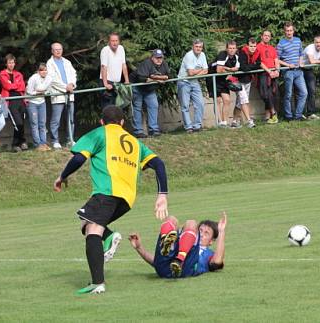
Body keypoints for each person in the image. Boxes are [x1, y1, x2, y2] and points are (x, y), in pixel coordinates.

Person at [53, 106, 169, 295]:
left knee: (93, 230)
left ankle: (98, 281)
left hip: (106, 192)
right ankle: (107, 239)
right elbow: (159, 164)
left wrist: (62, 176)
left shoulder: (99, 133)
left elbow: (79, 158)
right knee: (86, 221)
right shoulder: (134, 142)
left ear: (102, 122)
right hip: (127, 199)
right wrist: (162, 194)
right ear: (122, 123)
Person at [128, 212, 226, 278]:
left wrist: (221, 231)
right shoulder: (184, 241)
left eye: (206, 233)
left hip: (186, 268)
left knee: (191, 223)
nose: (202, 235)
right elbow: (156, 263)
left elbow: (217, 262)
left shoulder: (209, 254)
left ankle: (178, 259)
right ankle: (171, 250)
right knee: (171, 219)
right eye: (200, 231)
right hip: (164, 270)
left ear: (211, 241)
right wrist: (139, 248)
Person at [131, 49, 170, 137]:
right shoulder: (146, 63)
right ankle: (138, 131)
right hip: (137, 87)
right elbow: (142, 78)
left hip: (149, 89)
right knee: (137, 108)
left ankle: (153, 130)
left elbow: (169, 76)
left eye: (161, 58)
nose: (159, 60)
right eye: (157, 58)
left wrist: (154, 77)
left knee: (154, 105)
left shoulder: (164, 64)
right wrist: (158, 79)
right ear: (152, 58)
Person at [46, 42, 78, 149]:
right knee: (56, 119)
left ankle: (70, 139)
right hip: (58, 94)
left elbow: (74, 74)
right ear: (52, 51)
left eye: (60, 49)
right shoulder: (49, 63)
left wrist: (72, 84)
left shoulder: (67, 62)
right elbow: (53, 80)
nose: (58, 51)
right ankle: (55, 140)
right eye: (56, 49)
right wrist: (65, 87)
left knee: (71, 118)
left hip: (69, 93)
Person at [276, 22, 308, 121]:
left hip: (298, 71)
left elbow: (301, 54)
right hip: (288, 71)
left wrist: (301, 62)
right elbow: (277, 59)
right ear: (284, 32)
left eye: (290, 30)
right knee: (288, 95)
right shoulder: (281, 43)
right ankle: (288, 116)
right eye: (287, 31)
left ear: (293, 31)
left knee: (304, 93)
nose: (289, 32)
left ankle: (298, 115)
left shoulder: (298, 40)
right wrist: (287, 65)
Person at [177, 39, 208, 133]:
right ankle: (188, 127)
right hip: (184, 81)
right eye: (196, 46)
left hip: (194, 82)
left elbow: (206, 70)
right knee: (185, 105)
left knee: (200, 104)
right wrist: (200, 71)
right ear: (193, 47)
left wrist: (196, 73)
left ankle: (197, 126)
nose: (198, 48)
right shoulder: (189, 55)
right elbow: (190, 73)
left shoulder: (202, 55)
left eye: (200, 47)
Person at [0, 54, 28, 152]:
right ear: (6, 64)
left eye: (13, 62)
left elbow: (22, 87)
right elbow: (7, 86)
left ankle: (20, 143)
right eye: (9, 63)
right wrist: (15, 85)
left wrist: (13, 85)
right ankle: (17, 143)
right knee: (17, 122)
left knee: (22, 122)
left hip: (20, 99)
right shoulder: (2, 73)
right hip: (10, 100)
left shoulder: (18, 74)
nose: (11, 65)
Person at [208, 41, 240, 127]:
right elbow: (218, 70)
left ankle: (224, 122)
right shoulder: (222, 54)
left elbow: (236, 68)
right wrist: (229, 69)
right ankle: (220, 122)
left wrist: (227, 70)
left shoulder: (236, 57)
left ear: (236, 49)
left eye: (233, 48)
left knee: (227, 100)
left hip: (223, 78)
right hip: (213, 78)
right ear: (226, 49)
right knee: (218, 100)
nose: (232, 50)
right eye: (230, 48)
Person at [236, 38, 261, 128]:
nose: (253, 48)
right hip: (238, 80)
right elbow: (243, 67)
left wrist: (251, 67)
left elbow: (258, 64)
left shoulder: (257, 52)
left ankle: (235, 121)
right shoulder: (242, 53)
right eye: (251, 46)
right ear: (247, 46)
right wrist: (253, 67)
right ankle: (249, 121)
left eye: (254, 46)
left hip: (248, 80)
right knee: (244, 100)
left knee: (239, 103)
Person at [26, 63, 52, 151]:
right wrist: (38, 92)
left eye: (45, 70)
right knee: (34, 123)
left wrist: (39, 91)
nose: (44, 72)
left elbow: (48, 91)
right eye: (42, 70)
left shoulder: (49, 78)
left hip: (42, 102)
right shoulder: (33, 78)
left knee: (42, 123)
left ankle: (43, 143)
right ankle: (37, 144)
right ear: (38, 71)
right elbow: (29, 91)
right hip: (32, 102)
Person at [100, 32, 130, 107]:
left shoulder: (121, 48)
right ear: (109, 42)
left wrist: (127, 80)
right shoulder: (105, 50)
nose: (115, 43)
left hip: (117, 83)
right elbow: (104, 67)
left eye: (116, 40)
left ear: (119, 41)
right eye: (112, 41)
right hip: (107, 81)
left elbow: (124, 65)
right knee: (108, 108)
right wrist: (105, 84)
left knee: (117, 107)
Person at [257, 30, 280, 124]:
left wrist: (277, 70)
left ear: (270, 38)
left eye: (268, 36)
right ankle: (273, 113)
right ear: (261, 36)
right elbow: (260, 62)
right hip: (264, 73)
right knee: (265, 95)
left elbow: (276, 59)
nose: (266, 37)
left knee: (273, 95)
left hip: (273, 73)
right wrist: (269, 71)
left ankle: (268, 117)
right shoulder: (257, 47)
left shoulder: (272, 48)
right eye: (265, 35)